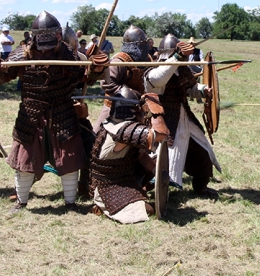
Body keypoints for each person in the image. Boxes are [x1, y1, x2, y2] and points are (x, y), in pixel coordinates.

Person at [0, 11, 107, 213]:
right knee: (25, 159)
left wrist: (96, 68)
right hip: (31, 114)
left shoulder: (69, 54)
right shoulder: (22, 54)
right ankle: (21, 202)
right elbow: (2, 78)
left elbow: (86, 78)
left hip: (62, 111)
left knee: (68, 158)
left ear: (58, 35)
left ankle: (70, 202)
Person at [144, 34, 221, 198]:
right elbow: (158, 80)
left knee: (202, 152)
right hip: (163, 120)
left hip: (184, 117)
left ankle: (201, 187)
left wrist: (202, 90)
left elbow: (189, 89)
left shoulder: (181, 70)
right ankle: (148, 189)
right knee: (159, 158)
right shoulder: (154, 70)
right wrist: (177, 58)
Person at [90, 86, 170, 223]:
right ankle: (102, 207)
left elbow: (140, 156)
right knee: (148, 210)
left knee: (152, 161)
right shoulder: (123, 130)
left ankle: (136, 191)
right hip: (108, 186)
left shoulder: (113, 124)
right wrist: (156, 111)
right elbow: (161, 134)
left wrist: (156, 172)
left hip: (120, 177)